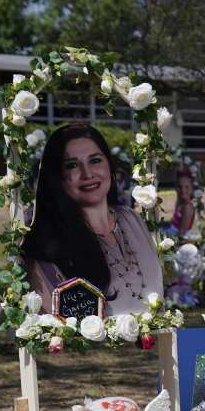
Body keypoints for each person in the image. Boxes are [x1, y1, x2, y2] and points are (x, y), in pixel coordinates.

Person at [22, 123, 163, 316]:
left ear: (110, 167)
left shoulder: (131, 218)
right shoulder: (48, 242)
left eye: (95, 161)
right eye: (72, 165)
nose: (87, 174)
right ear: (58, 177)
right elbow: (54, 324)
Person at [169, 167, 197, 235]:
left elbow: (182, 233)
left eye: (186, 187)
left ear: (192, 189)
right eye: (180, 187)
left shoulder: (187, 207)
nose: (183, 190)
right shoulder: (181, 203)